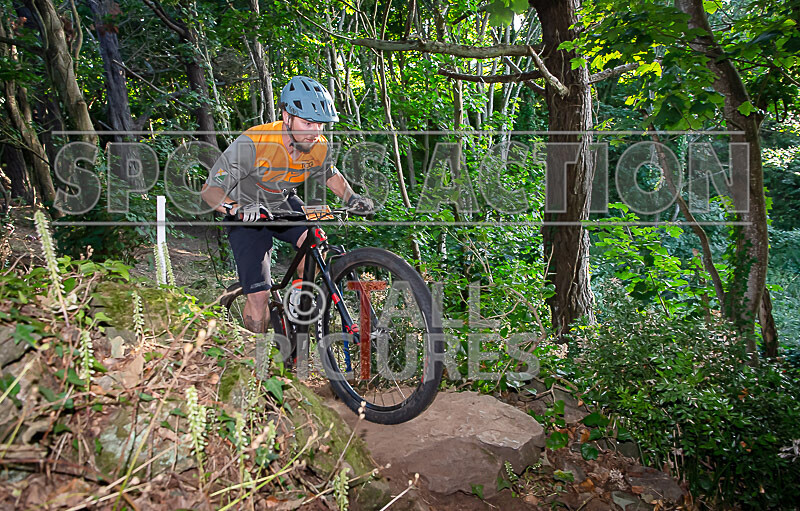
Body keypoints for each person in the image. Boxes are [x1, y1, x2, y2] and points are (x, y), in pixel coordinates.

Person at [201, 76, 373, 333]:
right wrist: (235, 208)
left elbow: (330, 174)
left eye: (320, 124)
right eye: (308, 123)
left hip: (282, 200)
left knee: (316, 243)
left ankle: (297, 303)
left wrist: (352, 198)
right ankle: (256, 351)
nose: (315, 132)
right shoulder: (254, 143)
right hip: (247, 209)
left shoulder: (318, 146)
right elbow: (210, 191)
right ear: (286, 116)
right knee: (259, 296)